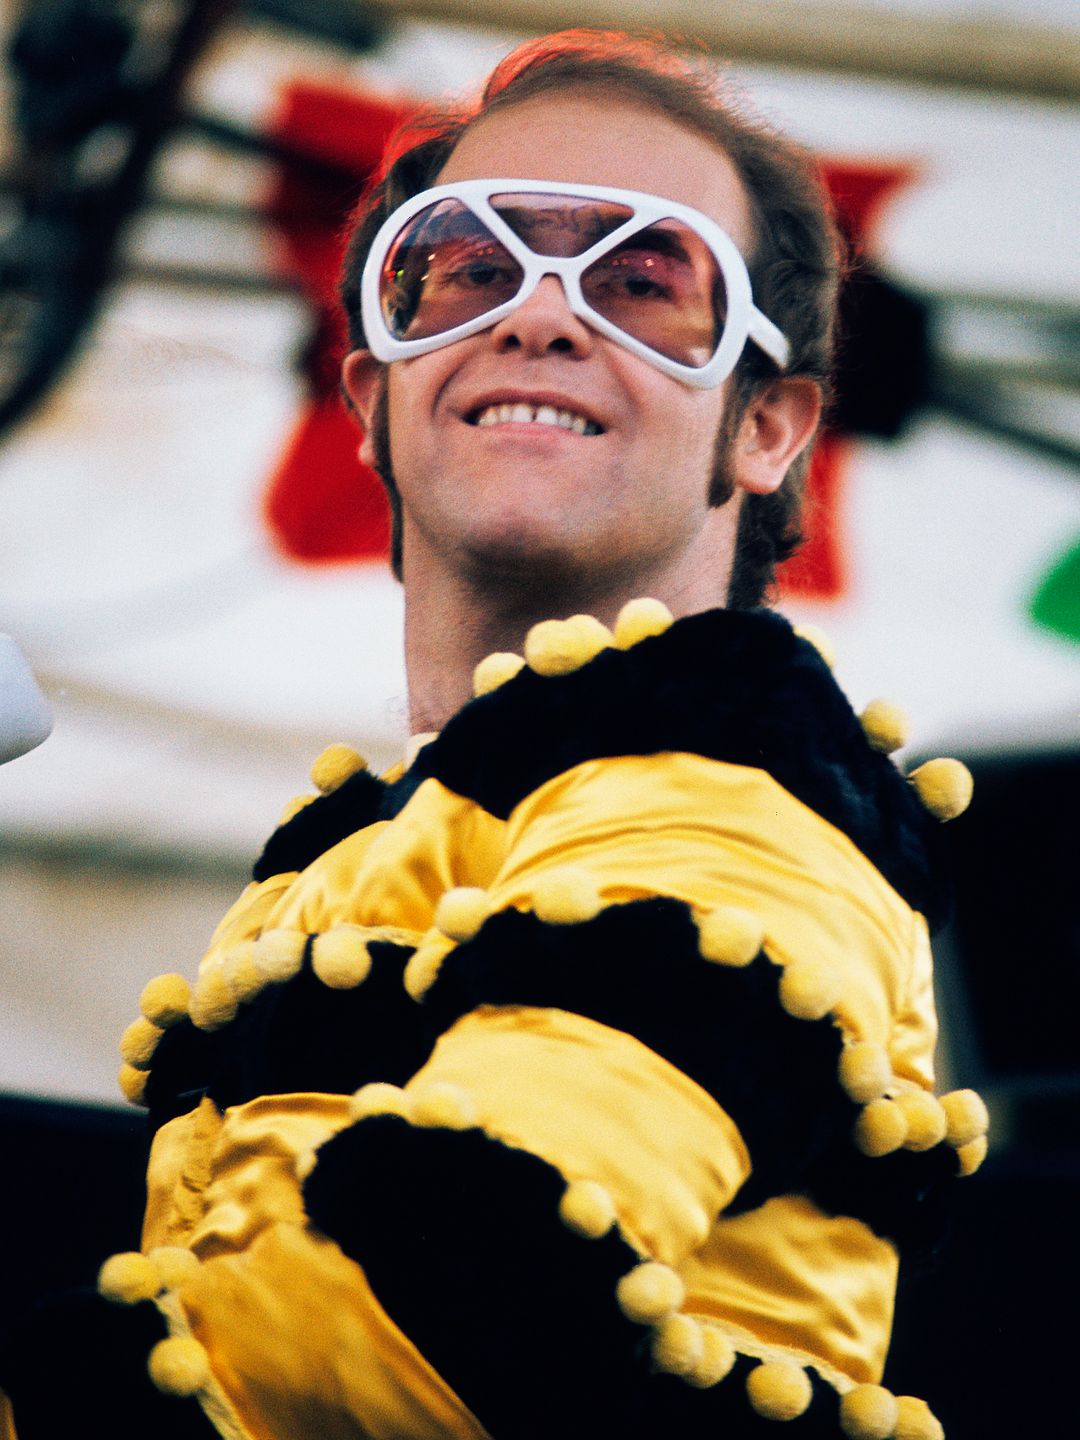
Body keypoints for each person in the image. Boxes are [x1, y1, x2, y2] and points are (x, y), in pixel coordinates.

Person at [0, 29, 987, 1440]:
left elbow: (447, 1291)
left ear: (767, 428)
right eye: (465, 267)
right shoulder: (361, 849)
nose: (538, 316)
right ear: (372, 399)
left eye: (645, 280)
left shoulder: (752, 784)